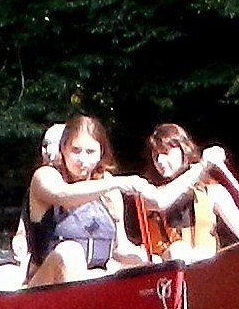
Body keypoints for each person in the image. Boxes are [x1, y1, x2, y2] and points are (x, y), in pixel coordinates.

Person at [23, 114, 153, 286]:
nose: (82, 160)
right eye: (76, 150)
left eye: (90, 152)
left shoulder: (108, 188)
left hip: (94, 280)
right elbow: (64, 195)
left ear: (101, 154)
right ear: (63, 148)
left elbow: (120, 248)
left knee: (145, 262)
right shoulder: (45, 176)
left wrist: (146, 261)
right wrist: (118, 182)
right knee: (70, 251)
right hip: (43, 285)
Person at [138, 123, 239, 260]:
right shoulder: (149, 193)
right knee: (178, 250)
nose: (160, 161)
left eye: (165, 153)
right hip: (167, 274)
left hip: (206, 268)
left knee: (201, 253)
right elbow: (161, 200)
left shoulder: (212, 192)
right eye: (155, 156)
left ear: (183, 149)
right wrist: (202, 165)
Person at [11, 123, 64, 266]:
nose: (49, 152)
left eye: (57, 146)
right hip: (44, 265)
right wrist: (20, 239)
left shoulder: (94, 185)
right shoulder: (37, 185)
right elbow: (23, 228)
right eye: (45, 145)